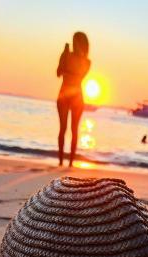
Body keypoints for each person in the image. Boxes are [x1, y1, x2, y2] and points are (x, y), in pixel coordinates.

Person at [57, 32, 90, 166]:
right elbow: (58, 73)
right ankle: (60, 162)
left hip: (77, 96)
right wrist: (64, 57)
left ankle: (71, 163)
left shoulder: (87, 62)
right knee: (63, 128)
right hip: (64, 94)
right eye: (73, 41)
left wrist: (68, 67)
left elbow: (80, 76)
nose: (74, 44)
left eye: (77, 42)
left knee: (74, 129)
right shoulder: (66, 55)